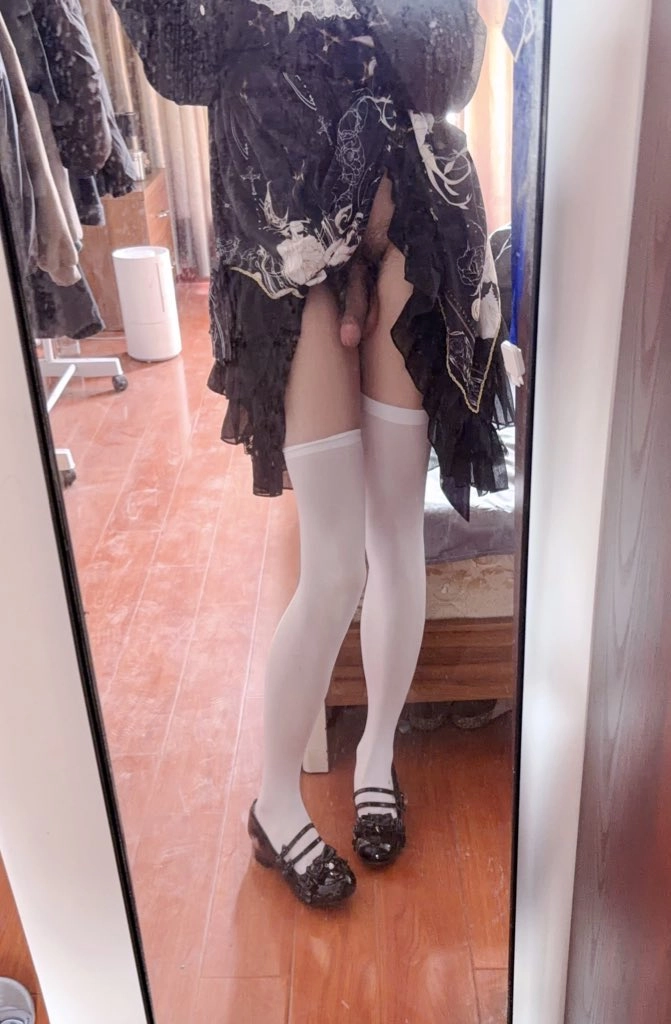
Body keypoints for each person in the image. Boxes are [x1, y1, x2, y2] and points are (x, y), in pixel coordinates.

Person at [113, 0, 514, 907]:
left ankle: (376, 752)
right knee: (334, 565)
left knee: (395, 534)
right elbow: (181, 64)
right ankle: (273, 800)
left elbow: (451, 73)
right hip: (286, 260)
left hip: (413, 233)